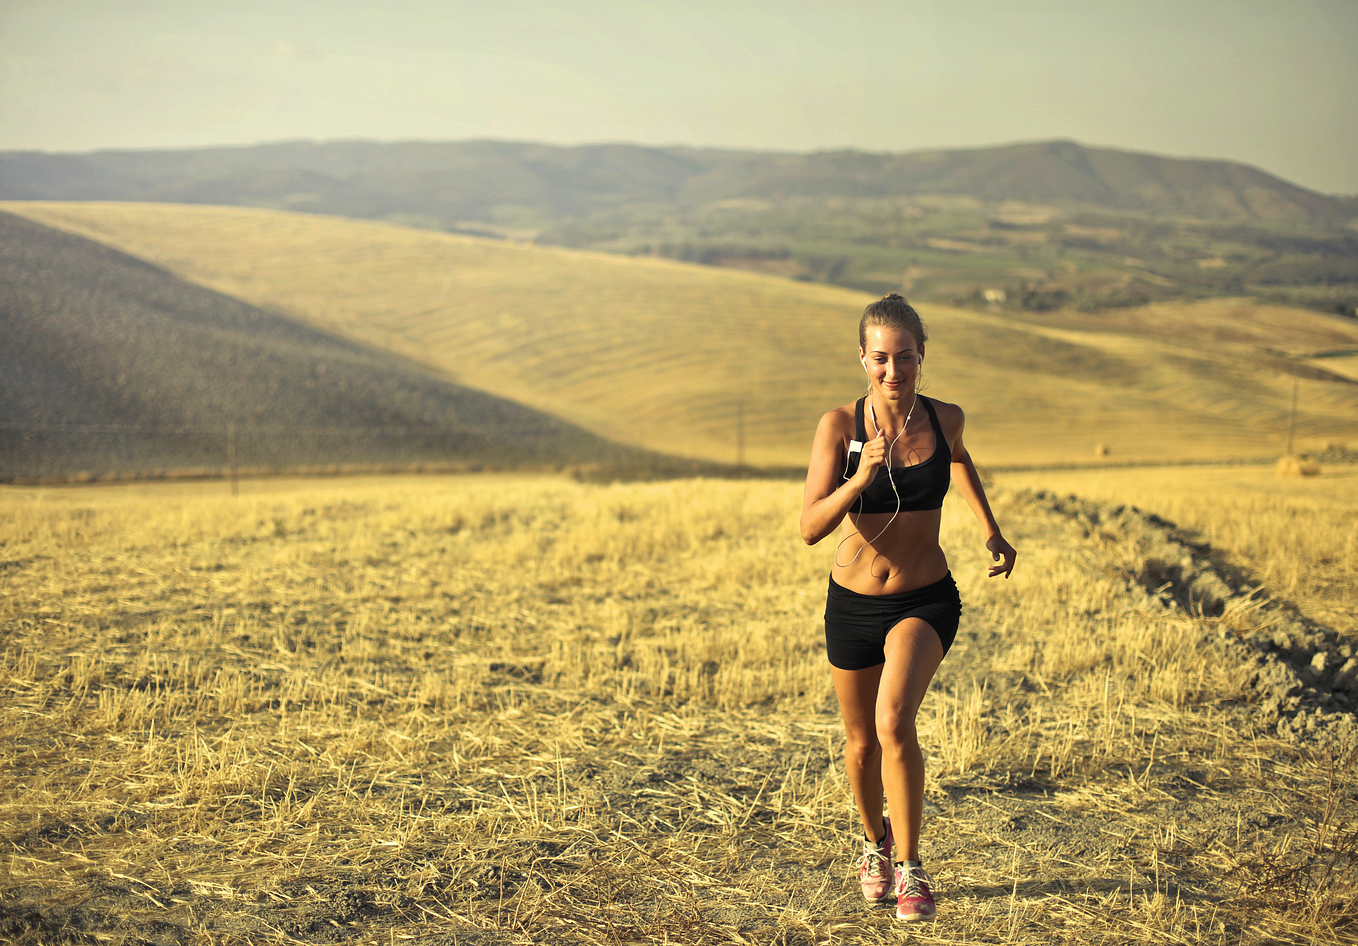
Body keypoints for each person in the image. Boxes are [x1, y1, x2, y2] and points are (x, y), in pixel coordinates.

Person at [799, 293, 1016, 922]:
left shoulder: (946, 418)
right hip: (852, 604)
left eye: (905, 358)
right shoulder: (838, 427)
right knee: (861, 741)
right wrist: (858, 480)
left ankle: (911, 865)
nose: (893, 371)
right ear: (862, 359)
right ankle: (874, 845)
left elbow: (961, 460)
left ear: (923, 356)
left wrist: (990, 529)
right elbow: (810, 527)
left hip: (925, 598)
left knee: (895, 722)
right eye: (881, 359)